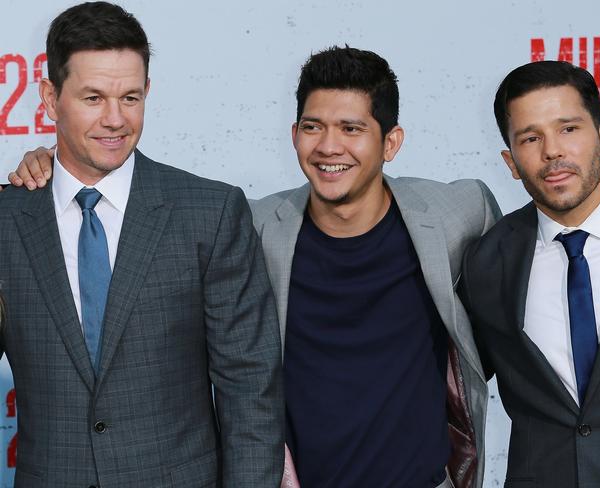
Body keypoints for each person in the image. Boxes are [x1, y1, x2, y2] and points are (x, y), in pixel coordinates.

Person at [9, 46, 501, 488]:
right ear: (294, 134)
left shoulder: (457, 214)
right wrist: (59, 165)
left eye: (352, 129)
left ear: (390, 142)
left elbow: (515, 312)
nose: (329, 147)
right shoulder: (256, 226)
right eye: (313, 127)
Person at [0, 2, 283, 487]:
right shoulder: (9, 218)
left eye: (130, 97)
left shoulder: (209, 213)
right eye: (93, 98)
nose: (116, 119)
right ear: (49, 98)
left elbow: (250, 389)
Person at [460, 60, 600, 487]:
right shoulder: (487, 261)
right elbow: (449, 379)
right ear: (510, 161)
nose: (553, 151)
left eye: (569, 129)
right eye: (531, 137)